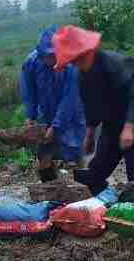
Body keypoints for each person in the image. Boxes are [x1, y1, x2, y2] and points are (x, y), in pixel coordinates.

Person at [52, 26, 134, 195]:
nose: (75, 64)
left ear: (87, 52)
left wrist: (129, 127)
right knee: (94, 173)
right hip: (112, 124)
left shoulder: (115, 64)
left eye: (76, 59)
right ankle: (103, 202)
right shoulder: (83, 76)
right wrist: (89, 134)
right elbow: (91, 106)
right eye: (72, 61)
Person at [19, 26, 86, 182]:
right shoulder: (32, 62)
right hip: (46, 115)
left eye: (53, 55)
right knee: (44, 156)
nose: (50, 59)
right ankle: (49, 188)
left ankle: (85, 187)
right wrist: (30, 115)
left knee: (78, 154)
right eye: (47, 56)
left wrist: (56, 126)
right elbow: (29, 91)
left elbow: (69, 99)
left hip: (73, 116)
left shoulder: (72, 65)